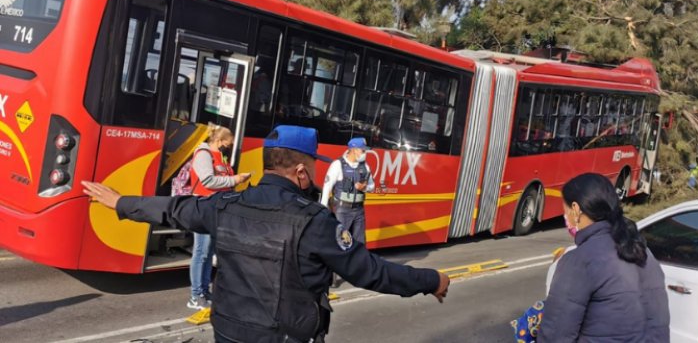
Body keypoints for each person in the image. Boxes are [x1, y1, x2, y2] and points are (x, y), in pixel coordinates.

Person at [82, 125, 449, 343]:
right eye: (312, 168)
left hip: (227, 330)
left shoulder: (225, 205)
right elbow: (372, 272)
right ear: (302, 173)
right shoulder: (315, 221)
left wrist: (121, 203)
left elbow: (174, 209)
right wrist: (431, 279)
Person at [538, 173, 669, 342]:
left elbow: (555, 335)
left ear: (576, 210)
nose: (566, 218)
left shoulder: (578, 260)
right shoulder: (643, 252)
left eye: (566, 211)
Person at [186, 124, 251, 310]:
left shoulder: (219, 156)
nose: (228, 148)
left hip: (215, 209)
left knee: (208, 252)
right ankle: (195, 295)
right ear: (219, 141)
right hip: (203, 208)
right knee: (201, 252)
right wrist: (235, 179)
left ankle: (204, 292)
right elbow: (208, 180)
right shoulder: (204, 154)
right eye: (227, 144)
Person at [320, 137, 374, 245]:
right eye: (363, 151)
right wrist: (323, 209)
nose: (365, 153)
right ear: (354, 150)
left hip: (359, 210)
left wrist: (364, 188)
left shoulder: (365, 167)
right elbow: (327, 187)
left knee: (360, 244)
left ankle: (357, 262)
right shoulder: (338, 165)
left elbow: (372, 186)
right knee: (340, 243)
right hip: (342, 210)